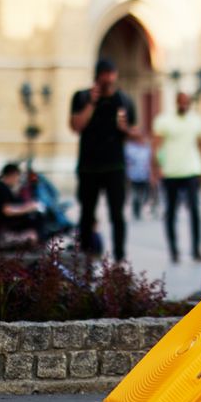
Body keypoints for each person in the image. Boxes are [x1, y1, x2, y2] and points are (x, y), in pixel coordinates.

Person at [70, 58, 138, 261]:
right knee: (86, 215)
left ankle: (119, 257)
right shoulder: (81, 97)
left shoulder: (124, 100)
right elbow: (76, 126)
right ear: (97, 76)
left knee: (117, 215)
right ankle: (85, 255)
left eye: (112, 74)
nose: (109, 79)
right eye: (105, 74)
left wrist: (125, 129)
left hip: (115, 166)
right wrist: (91, 102)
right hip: (88, 167)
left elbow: (135, 133)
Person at [152, 91, 201, 263]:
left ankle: (196, 250)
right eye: (181, 102)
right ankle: (174, 250)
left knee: (195, 212)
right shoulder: (164, 121)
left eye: (187, 103)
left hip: (192, 170)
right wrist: (156, 167)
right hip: (170, 172)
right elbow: (156, 145)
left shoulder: (197, 120)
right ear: (176, 102)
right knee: (171, 212)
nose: (184, 105)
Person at [0, 163, 44, 247]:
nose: (18, 180)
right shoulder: (0, 189)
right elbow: (7, 210)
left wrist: (27, 206)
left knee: (36, 216)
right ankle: (35, 240)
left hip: (4, 223)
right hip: (3, 225)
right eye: (17, 176)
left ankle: (35, 240)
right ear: (12, 175)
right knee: (36, 217)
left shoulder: (3, 188)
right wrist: (28, 208)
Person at [125, 137, 154, 220]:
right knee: (135, 194)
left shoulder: (148, 148)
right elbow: (127, 162)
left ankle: (142, 205)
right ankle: (136, 210)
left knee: (144, 194)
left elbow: (150, 161)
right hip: (133, 175)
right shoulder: (129, 148)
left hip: (145, 176)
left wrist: (151, 173)